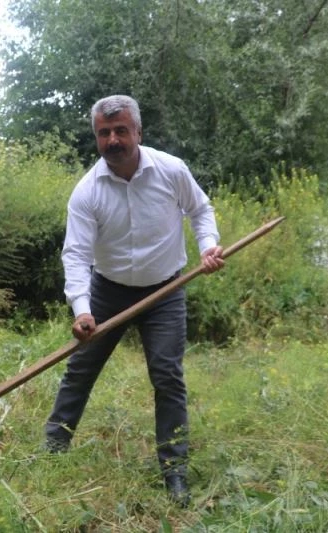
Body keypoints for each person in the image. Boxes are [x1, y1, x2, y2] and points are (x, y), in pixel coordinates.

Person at [44, 95, 225, 507]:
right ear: (96, 138)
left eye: (120, 130)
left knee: (167, 376)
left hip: (165, 290)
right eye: (104, 133)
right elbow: (75, 255)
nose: (113, 140)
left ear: (138, 132)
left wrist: (209, 247)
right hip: (108, 291)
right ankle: (53, 449)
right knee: (80, 369)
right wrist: (83, 310)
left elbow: (200, 210)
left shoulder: (170, 170)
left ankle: (175, 471)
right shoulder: (87, 191)